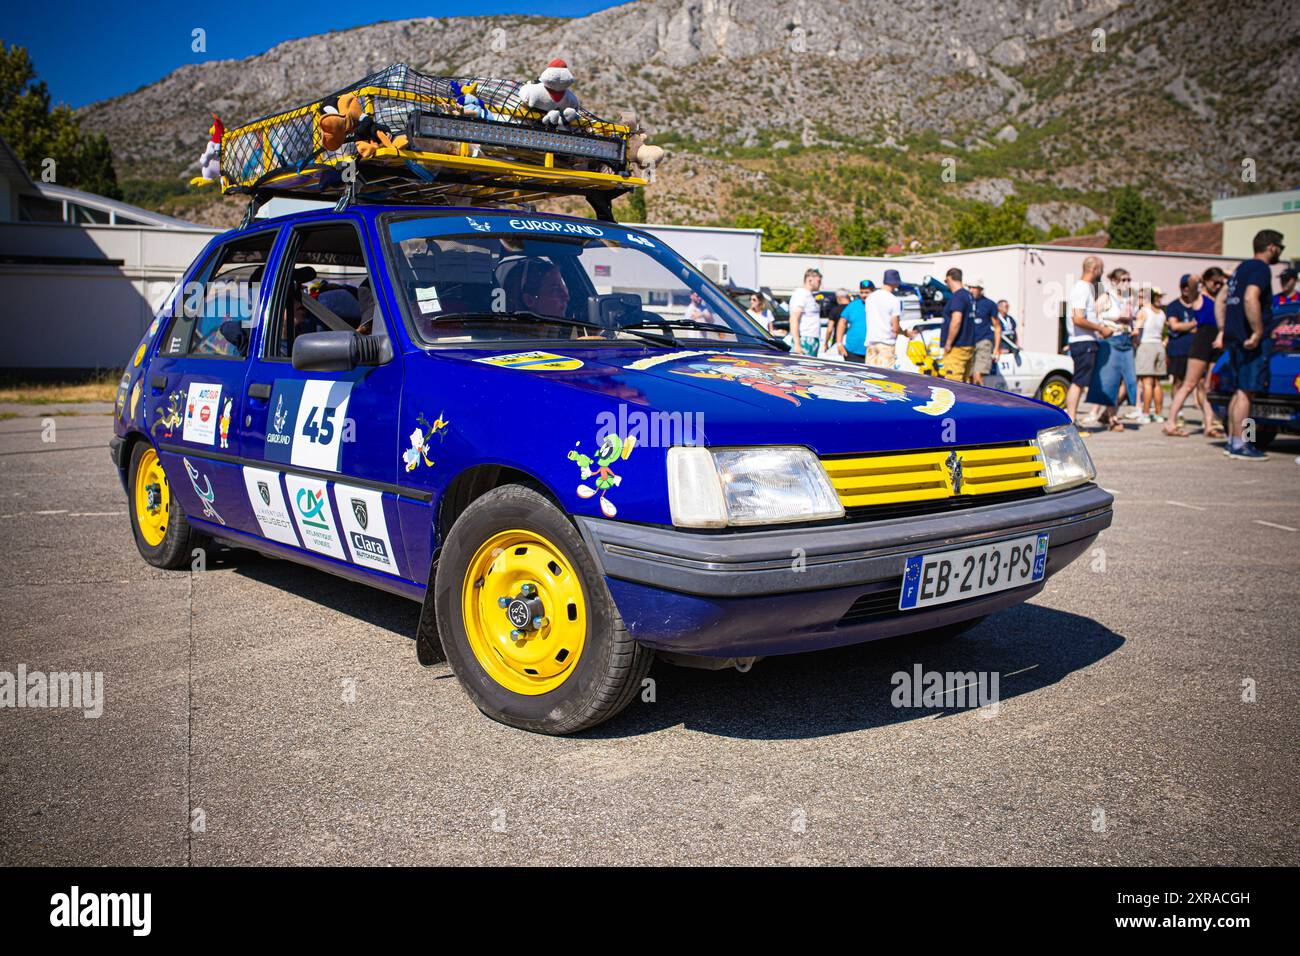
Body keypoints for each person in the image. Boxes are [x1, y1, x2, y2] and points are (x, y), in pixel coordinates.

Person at [1218, 228, 1284, 461]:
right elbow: (1250, 297)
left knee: (1239, 391)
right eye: (1281, 248)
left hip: (1235, 338)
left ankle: (1233, 440)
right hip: (1249, 341)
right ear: (1271, 247)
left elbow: (1222, 299)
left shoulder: (1241, 268)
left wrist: (1223, 329)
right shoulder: (1260, 269)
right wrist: (1257, 331)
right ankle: (1244, 443)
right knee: (1248, 392)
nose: (1280, 252)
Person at [1163, 270, 1225, 439]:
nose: (1217, 285)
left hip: (1217, 341)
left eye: (1219, 282)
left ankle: (1209, 424)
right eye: (1214, 281)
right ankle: (1170, 422)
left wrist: (1223, 277)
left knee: (1208, 387)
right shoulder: (1198, 297)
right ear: (1205, 282)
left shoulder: (1220, 298)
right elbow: (1191, 283)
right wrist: (1201, 278)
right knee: (1189, 384)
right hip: (1202, 340)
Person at [1087, 267, 1138, 431]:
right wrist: (1104, 327)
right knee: (1112, 380)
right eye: (1124, 280)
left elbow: (1135, 318)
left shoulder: (1128, 298)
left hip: (1127, 340)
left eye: (1129, 280)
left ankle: (1108, 413)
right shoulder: (1106, 297)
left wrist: (1134, 326)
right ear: (1114, 281)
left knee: (1129, 380)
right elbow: (1092, 315)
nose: (1127, 283)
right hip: (1111, 339)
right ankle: (1113, 418)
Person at [1065, 255, 1113, 426]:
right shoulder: (1082, 288)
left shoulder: (1085, 289)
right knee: (1078, 382)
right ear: (1094, 269)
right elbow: (1077, 318)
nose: (1102, 273)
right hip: (1083, 342)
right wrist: (1101, 328)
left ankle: (1072, 419)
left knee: (1079, 382)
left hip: (1085, 341)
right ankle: (1071, 420)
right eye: (1101, 269)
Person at [1162, 274, 1198, 424]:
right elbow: (1175, 326)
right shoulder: (1173, 306)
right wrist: (1193, 324)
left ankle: (1207, 416)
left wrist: (1186, 326)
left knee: (1198, 383)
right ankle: (1178, 412)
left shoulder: (1199, 305)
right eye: (1184, 286)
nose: (1186, 289)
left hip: (1197, 350)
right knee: (1178, 381)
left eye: (1189, 286)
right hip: (1178, 349)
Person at [862, 269, 909, 368]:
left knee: (870, 377)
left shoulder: (870, 298)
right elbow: (895, 328)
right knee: (884, 379)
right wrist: (905, 333)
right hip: (886, 345)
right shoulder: (894, 300)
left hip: (871, 344)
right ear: (896, 283)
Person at [1134, 285, 1167, 422]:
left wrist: (1135, 340)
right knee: (1157, 383)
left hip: (1146, 345)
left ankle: (1146, 414)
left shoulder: (1143, 311)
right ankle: (1158, 414)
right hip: (1159, 346)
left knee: (1146, 383)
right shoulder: (1161, 313)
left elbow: (1136, 329)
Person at [940, 268, 977, 382]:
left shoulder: (958, 296)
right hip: (967, 345)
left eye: (946, 281)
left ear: (950, 278)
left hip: (957, 348)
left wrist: (948, 343)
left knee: (953, 384)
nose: (947, 284)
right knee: (963, 384)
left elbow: (956, 321)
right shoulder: (967, 295)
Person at [967, 278, 999, 385]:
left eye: (974, 288)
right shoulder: (966, 303)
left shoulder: (990, 304)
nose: (971, 290)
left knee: (978, 374)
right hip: (968, 342)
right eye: (969, 287)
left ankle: (980, 399)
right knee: (969, 376)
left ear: (980, 289)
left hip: (984, 341)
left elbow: (997, 326)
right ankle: (971, 399)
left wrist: (997, 348)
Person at [836, 279, 873, 363]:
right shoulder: (853, 305)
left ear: (873, 292)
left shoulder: (877, 305)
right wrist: (839, 343)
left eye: (867, 292)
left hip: (872, 351)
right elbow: (842, 322)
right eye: (862, 292)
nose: (864, 295)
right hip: (852, 352)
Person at [787, 268, 823, 356]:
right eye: (818, 281)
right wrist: (797, 344)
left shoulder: (809, 295)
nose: (820, 284)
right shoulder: (801, 294)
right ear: (810, 280)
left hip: (811, 338)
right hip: (804, 339)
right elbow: (794, 318)